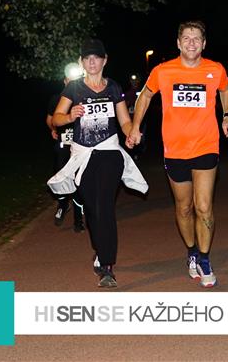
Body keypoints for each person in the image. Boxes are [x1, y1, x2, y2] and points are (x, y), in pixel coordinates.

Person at [127, 20, 228, 288]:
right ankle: (192, 251)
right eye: (186, 38)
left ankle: (205, 259)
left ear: (204, 44)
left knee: (204, 207)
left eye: (196, 38)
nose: (191, 43)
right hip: (175, 149)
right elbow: (145, 96)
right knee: (184, 207)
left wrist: (227, 115)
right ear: (178, 43)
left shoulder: (215, 69)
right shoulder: (163, 71)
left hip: (206, 145)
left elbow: (226, 89)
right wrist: (135, 127)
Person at [48, 38, 148, 288]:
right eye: (87, 58)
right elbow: (56, 119)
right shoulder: (74, 88)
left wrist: (131, 133)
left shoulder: (113, 87)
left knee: (105, 207)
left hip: (108, 153)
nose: (92, 62)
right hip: (83, 156)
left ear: (105, 60)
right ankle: (100, 250)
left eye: (96, 57)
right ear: (81, 62)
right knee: (92, 209)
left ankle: (107, 266)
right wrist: (69, 116)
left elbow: (124, 120)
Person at [46, 76, 85, 232]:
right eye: (69, 79)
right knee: (60, 176)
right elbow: (50, 119)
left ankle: (78, 219)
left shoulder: (85, 98)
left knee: (78, 181)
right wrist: (53, 129)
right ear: (64, 81)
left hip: (80, 147)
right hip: (63, 145)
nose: (72, 83)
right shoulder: (56, 99)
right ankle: (62, 204)